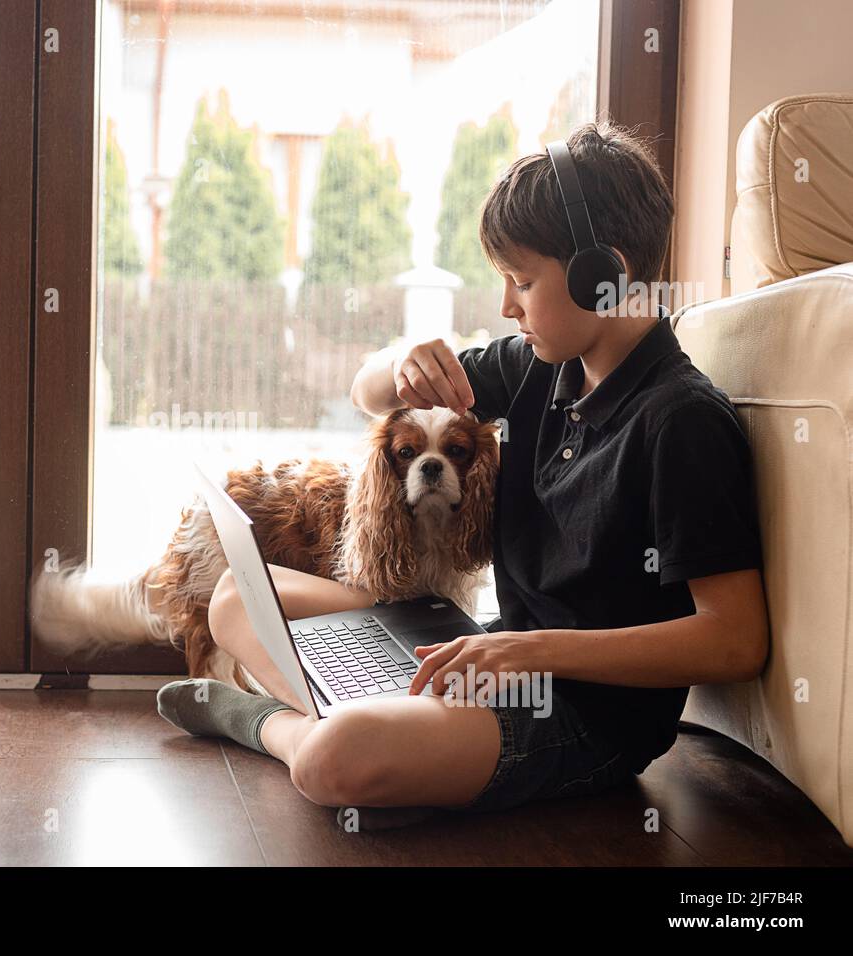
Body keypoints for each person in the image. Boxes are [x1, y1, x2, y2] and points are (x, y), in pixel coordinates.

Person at [154, 121, 769, 827]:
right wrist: (401, 363)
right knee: (237, 595)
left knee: (333, 761)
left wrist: (526, 650)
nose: (506, 306)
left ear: (607, 278)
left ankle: (268, 722)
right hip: (492, 651)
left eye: (522, 282)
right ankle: (372, 720)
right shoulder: (534, 366)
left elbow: (735, 639)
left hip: (582, 717)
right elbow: (370, 394)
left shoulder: (681, 423)